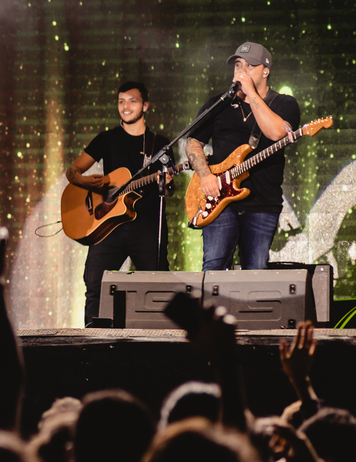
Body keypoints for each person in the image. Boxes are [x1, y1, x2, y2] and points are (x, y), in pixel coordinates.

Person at [186, 43, 300, 270]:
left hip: (262, 202)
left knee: (255, 270)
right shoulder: (218, 104)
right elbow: (193, 143)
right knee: (214, 266)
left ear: (265, 71)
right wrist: (206, 176)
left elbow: (276, 133)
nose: (241, 71)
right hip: (219, 200)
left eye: (250, 66)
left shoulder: (284, 103)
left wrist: (251, 93)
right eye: (238, 65)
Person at [66, 81, 172, 325]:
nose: (126, 106)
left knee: (157, 286)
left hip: (146, 227)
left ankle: (157, 339)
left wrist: (166, 183)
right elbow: (73, 171)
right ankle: (92, 340)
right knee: (95, 285)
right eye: (121, 101)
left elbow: (167, 191)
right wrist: (86, 181)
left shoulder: (159, 144)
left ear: (145, 106)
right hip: (107, 225)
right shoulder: (107, 139)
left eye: (132, 101)